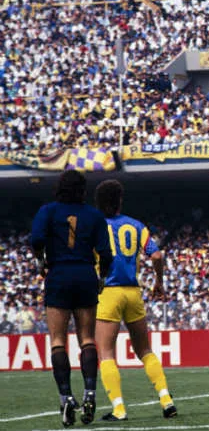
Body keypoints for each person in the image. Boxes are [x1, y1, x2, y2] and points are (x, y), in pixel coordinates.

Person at [31, 171, 113, 427]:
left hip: (58, 275)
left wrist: (42, 262)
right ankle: (90, 393)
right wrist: (101, 277)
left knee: (57, 340)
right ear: (83, 190)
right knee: (87, 339)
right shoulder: (94, 215)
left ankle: (66, 396)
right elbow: (106, 253)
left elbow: (36, 240)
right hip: (85, 274)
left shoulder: (48, 210)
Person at [93, 180, 176, 422]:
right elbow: (157, 255)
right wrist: (158, 282)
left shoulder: (94, 226)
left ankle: (119, 409)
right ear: (120, 200)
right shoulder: (136, 225)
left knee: (106, 353)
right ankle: (165, 399)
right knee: (145, 350)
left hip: (107, 292)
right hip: (133, 292)